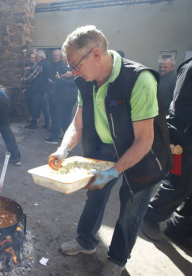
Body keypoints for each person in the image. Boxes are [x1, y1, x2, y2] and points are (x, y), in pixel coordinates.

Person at [49, 25, 171, 276]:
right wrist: (63, 150)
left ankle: (117, 258)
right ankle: (86, 242)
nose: (72, 72)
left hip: (142, 152)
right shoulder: (85, 81)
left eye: (76, 65)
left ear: (95, 53)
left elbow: (144, 140)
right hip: (105, 147)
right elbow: (78, 122)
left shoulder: (139, 80)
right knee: (95, 194)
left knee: (131, 207)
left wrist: (114, 171)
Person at [141, 58, 192, 250]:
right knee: (179, 182)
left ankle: (180, 228)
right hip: (183, 137)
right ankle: (150, 216)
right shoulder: (190, 69)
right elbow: (180, 106)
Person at [45, 66, 78, 144]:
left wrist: (53, 81)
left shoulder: (62, 80)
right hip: (71, 100)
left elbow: (54, 85)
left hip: (61, 100)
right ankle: (67, 137)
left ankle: (54, 137)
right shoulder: (74, 79)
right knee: (67, 119)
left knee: (57, 118)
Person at [22, 50, 51, 129]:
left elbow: (33, 76)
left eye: (37, 57)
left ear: (40, 57)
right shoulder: (47, 63)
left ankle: (34, 124)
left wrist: (24, 79)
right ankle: (47, 123)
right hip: (44, 87)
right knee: (43, 106)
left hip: (38, 88)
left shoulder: (40, 65)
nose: (36, 59)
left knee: (34, 106)